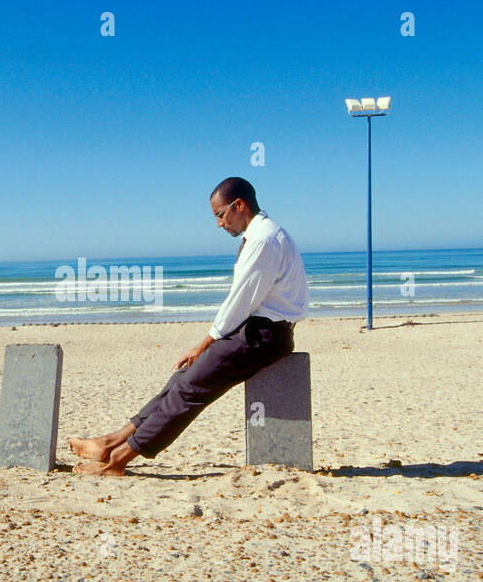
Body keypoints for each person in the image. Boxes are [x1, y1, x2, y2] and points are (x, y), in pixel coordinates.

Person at [70, 177, 309, 476]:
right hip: (259, 331)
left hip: (263, 335)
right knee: (181, 378)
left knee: (189, 389)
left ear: (239, 205)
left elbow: (240, 301)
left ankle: (117, 462)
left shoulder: (263, 239)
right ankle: (109, 443)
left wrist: (205, 342)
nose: (220, 224)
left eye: (220, 215)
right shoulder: (266, 233)